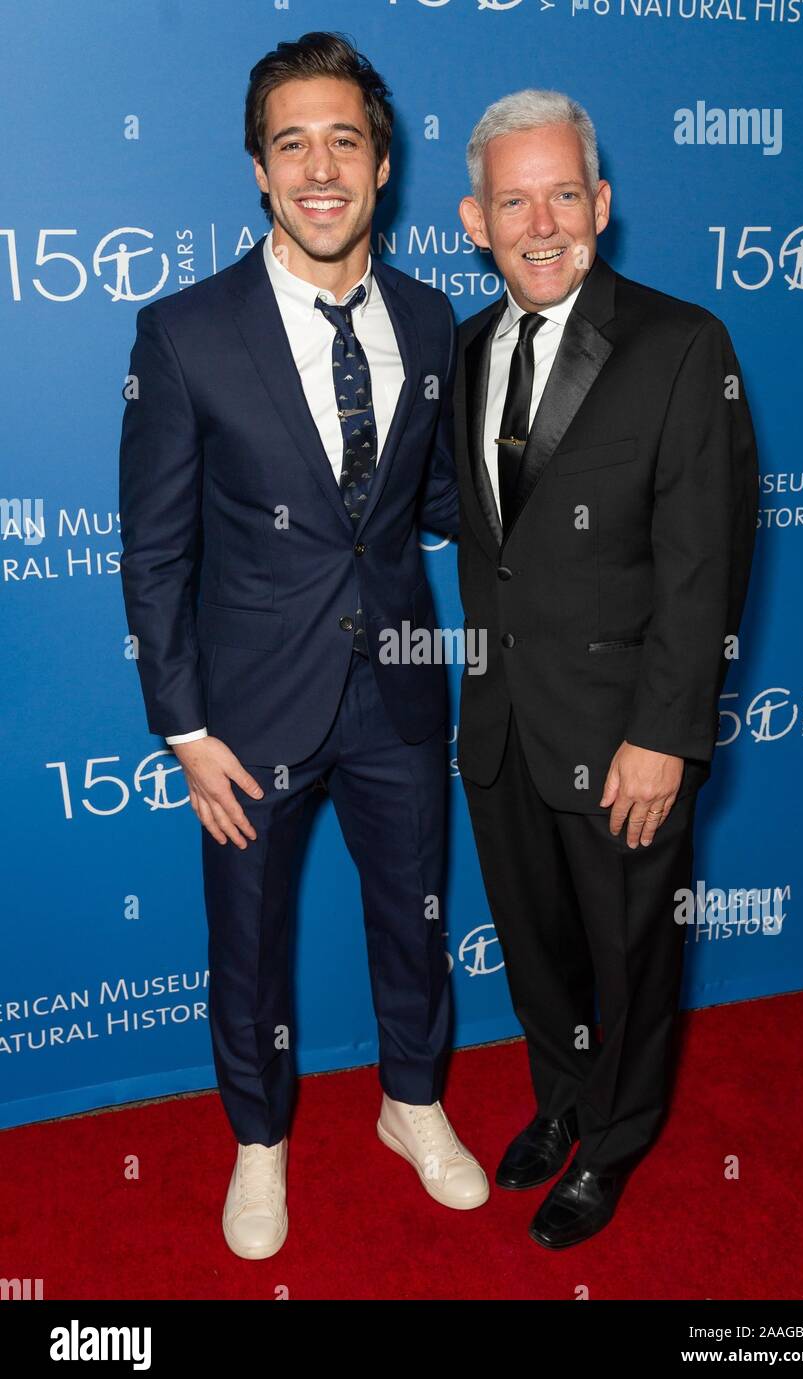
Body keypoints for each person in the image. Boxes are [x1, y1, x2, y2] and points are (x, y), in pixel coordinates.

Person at [118, 32, 488, 1262]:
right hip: (249, 711)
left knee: (413, 917)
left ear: (381, 164)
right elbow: (156, 554)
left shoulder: (433, 321)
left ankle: (411, 1103)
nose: (320, 166)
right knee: (250, 938)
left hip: (396, 689)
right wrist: (184, 728)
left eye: (345, 140)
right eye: (293, 143)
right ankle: (259, 1142)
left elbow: (434, 502)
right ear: (259, 170)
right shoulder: (184, 333)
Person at [453, 88, 759, 1249]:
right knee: (536, 950)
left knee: (629, 959)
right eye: (514, 200)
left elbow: (705, 558)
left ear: (602, 204)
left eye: (563, 195)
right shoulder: (469, 349)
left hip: (623, 737)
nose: (541, 224)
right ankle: (561, 1102)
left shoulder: (681, 346)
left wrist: (664, 735)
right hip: (499, 731)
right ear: (475, 220)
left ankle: (615, 1142)